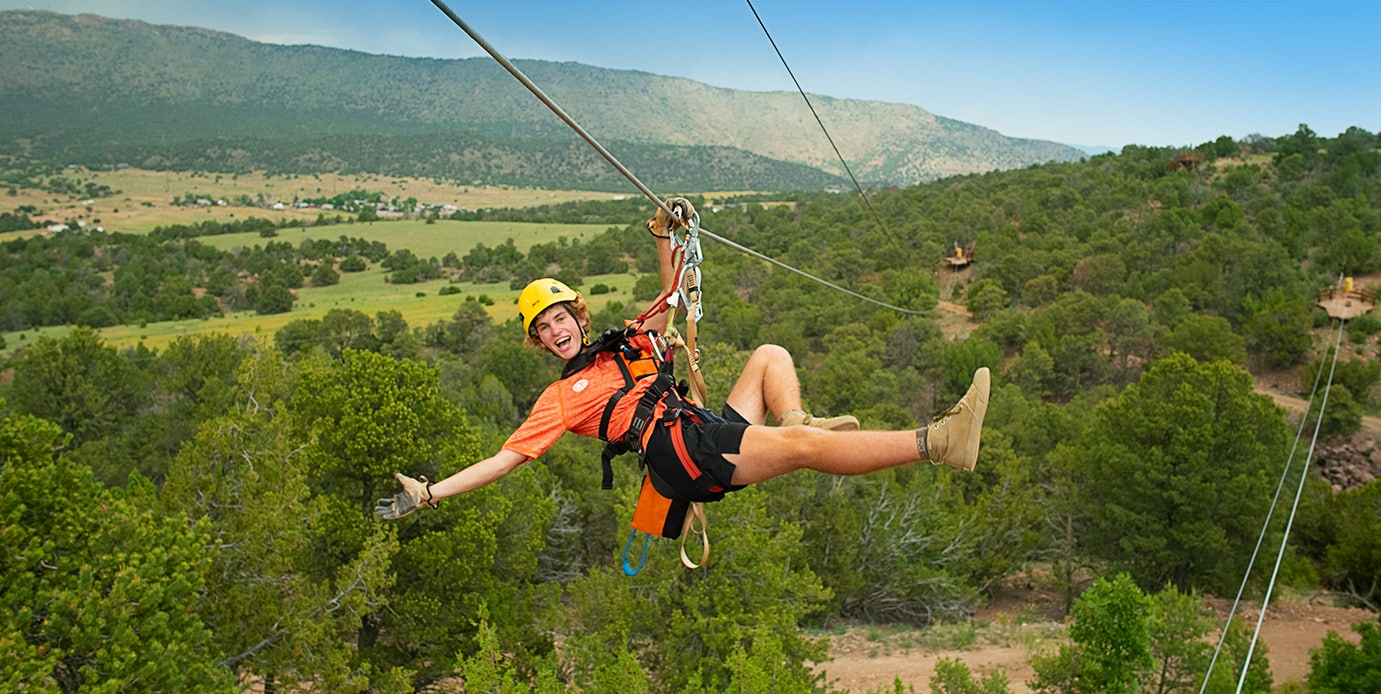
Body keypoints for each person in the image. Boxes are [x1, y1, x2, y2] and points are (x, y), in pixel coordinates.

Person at [375, 198, 990, 521]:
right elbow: (502, 461)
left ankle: (797, 419)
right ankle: (937, 441)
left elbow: (668, 300)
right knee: (803, 455)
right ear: (539, 345)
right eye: (545, 329)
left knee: (770, 357)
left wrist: (669, 236)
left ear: (578, 319)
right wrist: (430, 494)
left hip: (696, 430)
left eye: (561, 318)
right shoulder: (559, 399)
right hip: (677, 452)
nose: (557, 330)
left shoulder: (627, 344)